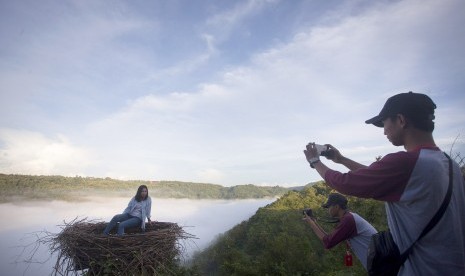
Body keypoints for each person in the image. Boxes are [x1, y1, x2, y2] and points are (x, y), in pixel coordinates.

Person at [303, 91, 465, 275]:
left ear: (401, 120)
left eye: (384, 123)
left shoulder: (406, 162)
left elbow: (344, 183)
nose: (384, 131)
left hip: (423, 269)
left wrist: (315, 162)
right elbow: (380, 177)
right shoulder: (448, 164)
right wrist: (342, 160)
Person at [303, 193, 377, 270]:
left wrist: (310, 223)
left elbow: (328, 243)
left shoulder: (348, 220)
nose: (328, 210)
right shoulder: (349, 216)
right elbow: (328, 237)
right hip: (377, 261)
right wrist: (314, 222)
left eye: (329, 207)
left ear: (336, 207)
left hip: (379, 263)